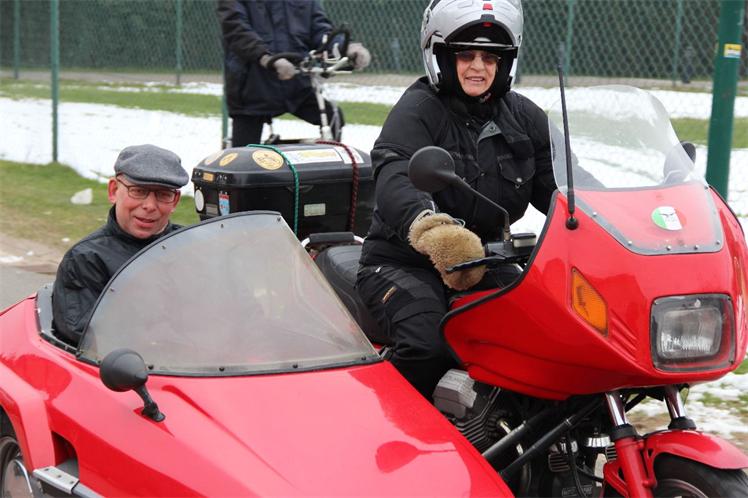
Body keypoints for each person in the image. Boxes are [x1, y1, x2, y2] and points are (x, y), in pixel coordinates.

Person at [355, 0, 556, 400]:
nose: (478, 67)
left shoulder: (524, 117)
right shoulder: (418, 110)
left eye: (490, 57)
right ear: (442, 57)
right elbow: (397, 175)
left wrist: (614, 217)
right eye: (466, 55)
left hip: (485, 262)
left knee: (549, 333)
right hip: (402, 263)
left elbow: (566, 185)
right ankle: (389, 426)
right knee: (427, 343)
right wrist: (434, 231)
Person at [52, 144, 189, 346]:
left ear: (175, 200)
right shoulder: (86, 259)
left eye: (163, 194)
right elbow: (88, 337)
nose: (150, 206)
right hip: (135, 363)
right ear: (114, 191)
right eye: (138, 191)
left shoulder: (192, 247)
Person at [217, 0, 371, 147]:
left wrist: (346, 47)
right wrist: (266, 58)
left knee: (333, 119)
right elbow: (236, 30)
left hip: (297, 86)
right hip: (253, 87)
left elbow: (320, 30)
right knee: (243, 152)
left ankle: (323, 163)